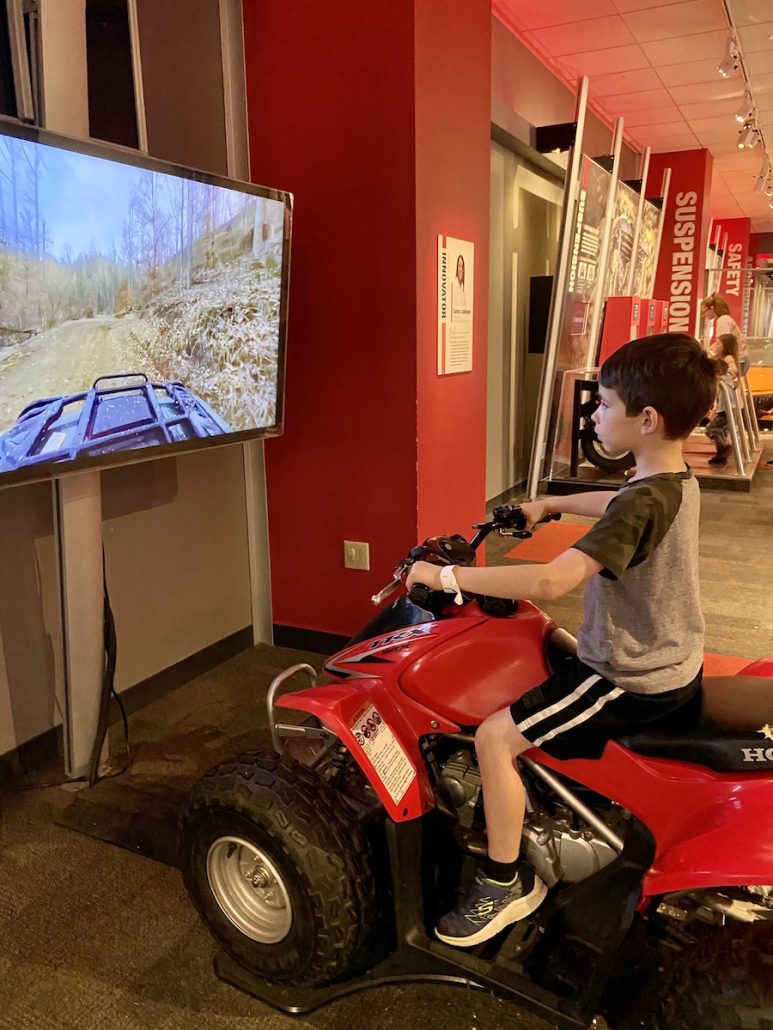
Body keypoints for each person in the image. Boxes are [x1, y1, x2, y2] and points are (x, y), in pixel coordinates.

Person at [407, 333, 722, 948]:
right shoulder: (674, 481)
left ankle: (504, 884)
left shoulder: (643, 500)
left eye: (604, 406)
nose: (596, 415)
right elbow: (619, 501)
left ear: (646, 419)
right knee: (545, 645)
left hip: (630, 678)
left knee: (496, 737)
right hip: (670, 658)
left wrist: (445, 576)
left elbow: (552, 578)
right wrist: (550, 503)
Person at [704, 333, 739, 467]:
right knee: (721, 430)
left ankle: (724, 447)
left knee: (711, 430)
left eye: (718, 343)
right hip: (725, 405)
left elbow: (733, 369)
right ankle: (722, 451)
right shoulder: (722, 359)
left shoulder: (728, 358)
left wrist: (724, 376)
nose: (716, 346)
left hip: (727, 406)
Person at [701, 292, 749, 374]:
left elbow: (722, 346)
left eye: (704, 311)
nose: (703, 315)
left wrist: (705, 356)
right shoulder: (726, 319)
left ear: (711, 309)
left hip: (738, 363)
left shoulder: (722, 321)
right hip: (742, 360)